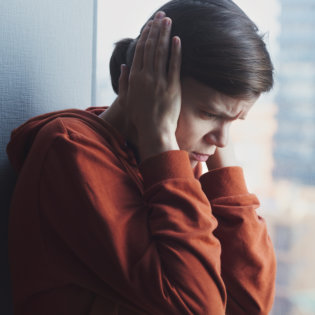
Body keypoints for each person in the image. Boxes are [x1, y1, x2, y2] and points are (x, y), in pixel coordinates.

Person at [7, 0, 276, 314]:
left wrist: (219, 162)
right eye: (207, 114)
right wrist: (160, 138)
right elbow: (201, 308)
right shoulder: (70, 150)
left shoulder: (174, 164)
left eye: (234, 121)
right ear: (149, 88)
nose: (220, 140)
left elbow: (250, 305)